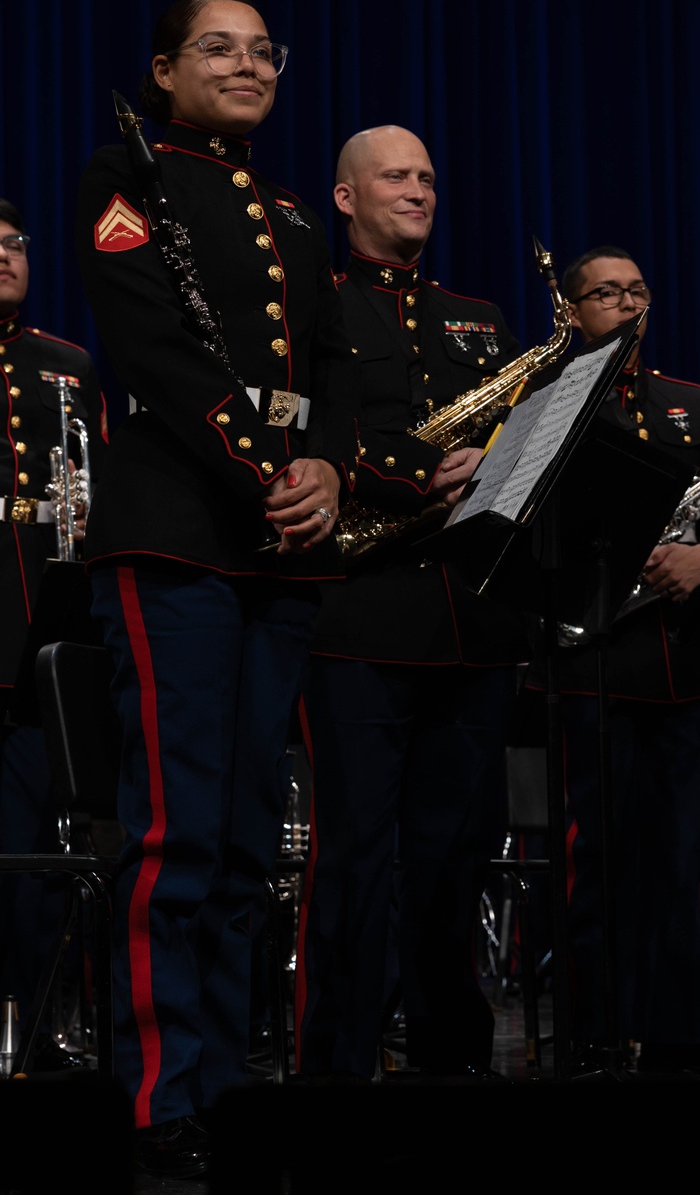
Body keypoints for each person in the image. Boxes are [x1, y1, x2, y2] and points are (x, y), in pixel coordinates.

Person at [75, 0, 357, 1174]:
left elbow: (331, 363)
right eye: (218, 49)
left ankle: (226, 1088)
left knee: (248, 838)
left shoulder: (292, 210)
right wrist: (265, 469)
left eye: (262, 53)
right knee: (173, 832)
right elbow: (153, 349)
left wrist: (332, 468)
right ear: (164, 69)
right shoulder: (126, 178)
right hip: (183, 531)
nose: (246, 67)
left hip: (280, 546)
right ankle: (157, 1100)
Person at [294, 125, 528, 1081]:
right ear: (345, 197)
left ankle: (450, 1060)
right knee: (353, 860)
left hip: (473, 621)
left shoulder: (478, 317)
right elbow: (297, 428)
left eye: (428, 177)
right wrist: (414, 473)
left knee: (455, 856)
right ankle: (336, 1068)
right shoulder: (309, 305)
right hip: (361, 614)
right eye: (395, 176)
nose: (418, 190)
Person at [545, 245, 700, 1075]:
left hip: (687, 661)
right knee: (599, 854)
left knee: (679, 854)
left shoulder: (690, 403)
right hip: (597, 658)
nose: (624, 304)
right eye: (604, 293)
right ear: (571, 311)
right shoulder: (548, 399)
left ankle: (677, 1034)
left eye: (636, 291)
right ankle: (592, 1031)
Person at [0, 197, 107, 1069]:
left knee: (36, 856)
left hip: (40, 644)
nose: (4, 255)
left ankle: (35, 1037)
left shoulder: (66, 364)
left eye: (13, 244)